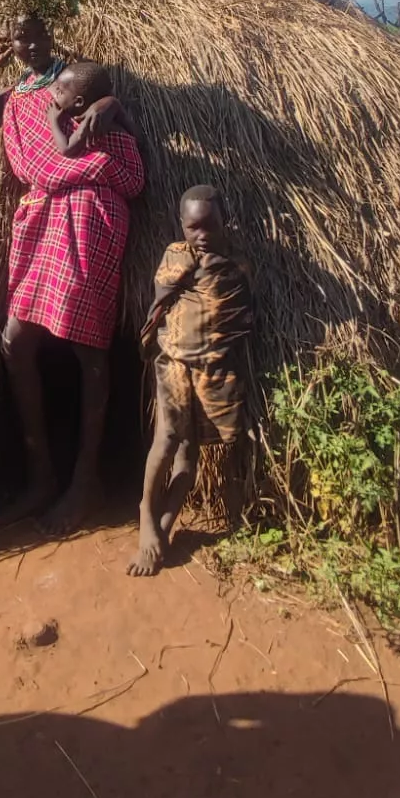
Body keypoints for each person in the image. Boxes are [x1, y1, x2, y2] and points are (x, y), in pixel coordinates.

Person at [0, 16, 144, 532]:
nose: (29, 46)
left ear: (53, 36)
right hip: (42, 220)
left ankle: (85, 483)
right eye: (19, 37)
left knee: (89, 345)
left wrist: (109, 106)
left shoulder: (79, 88)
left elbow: (128, 147)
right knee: (15, 340)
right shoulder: (18, 96)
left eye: (37, 35)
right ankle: (41, 475)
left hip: (89, 217)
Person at [127, 185, 253, 577]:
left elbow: (242, 313)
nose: (201, 234)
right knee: (166, 440)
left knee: (189, 454)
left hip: (213, 371)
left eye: (209, 225)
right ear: (182, 224)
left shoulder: (236, 265)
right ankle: (147, 516)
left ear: (223, 221)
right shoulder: (176, 256)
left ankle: (165, 526)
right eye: (192, 227)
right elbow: (160, 304)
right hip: (176, 365)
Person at [47, 60, 137, 155]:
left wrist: (53, 121)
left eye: (60, 92)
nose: (55, 93)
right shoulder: (109, 113)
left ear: (78, 102)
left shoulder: (90, 122)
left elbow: (66, 149)